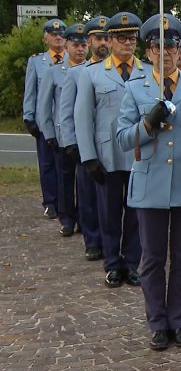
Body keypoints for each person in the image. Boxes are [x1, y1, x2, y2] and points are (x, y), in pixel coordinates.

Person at [116, 13, 181, 351]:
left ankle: (179, 320)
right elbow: (121, 139)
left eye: (171, 46)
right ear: (148, 52)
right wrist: (147, 124)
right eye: (155, 46)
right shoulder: (135, 88)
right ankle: (157, 322)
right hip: (151, 185)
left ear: (180, 51)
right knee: (151, 258)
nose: (163, 52)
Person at [75, 11, 147, 287]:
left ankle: (131, 262)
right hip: (107, 156)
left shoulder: (147, 71)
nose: (127, 43)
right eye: (121, 38)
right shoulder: (92, 74)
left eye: (131, 38)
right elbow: (83, 118)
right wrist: (88, 157)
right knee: (108, 213)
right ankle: (112, 263)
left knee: (136, 213)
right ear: (111, 40)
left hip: (140, 154)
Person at [59, 16, 110, 261]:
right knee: (88, 197)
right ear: (89, 42)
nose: (103, 43)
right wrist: (71, 142)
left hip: (112, 145)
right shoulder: (78, 73)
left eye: (106, 38)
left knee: (112, 200)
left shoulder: (119, 72)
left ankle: (113, 240)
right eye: (98, 38)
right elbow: (67, 111)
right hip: (86, 145)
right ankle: (93, 241)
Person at [36, 23, 88, 238]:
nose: (80, 49)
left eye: (84, 45)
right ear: (66, 46)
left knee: (86, 183)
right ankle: (67, 218)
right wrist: (49, 134)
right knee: (65, 178)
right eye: (76, 45)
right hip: (62, 135)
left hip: (85, 136)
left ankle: (86, 219)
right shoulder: (54, 72)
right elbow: (44, 107)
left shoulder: (93, 70)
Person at [23, 18, 67, 219]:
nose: (58, 37)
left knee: (66, 168)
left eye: (61, 34)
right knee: (48, 165)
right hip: (45, 122)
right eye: (53, 34)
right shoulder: (36, 62)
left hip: (67, 123)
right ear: (46, 37)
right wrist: (29, 117)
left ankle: (68, 204)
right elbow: (30, 91)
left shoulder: (73, 60)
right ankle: (50, 202)